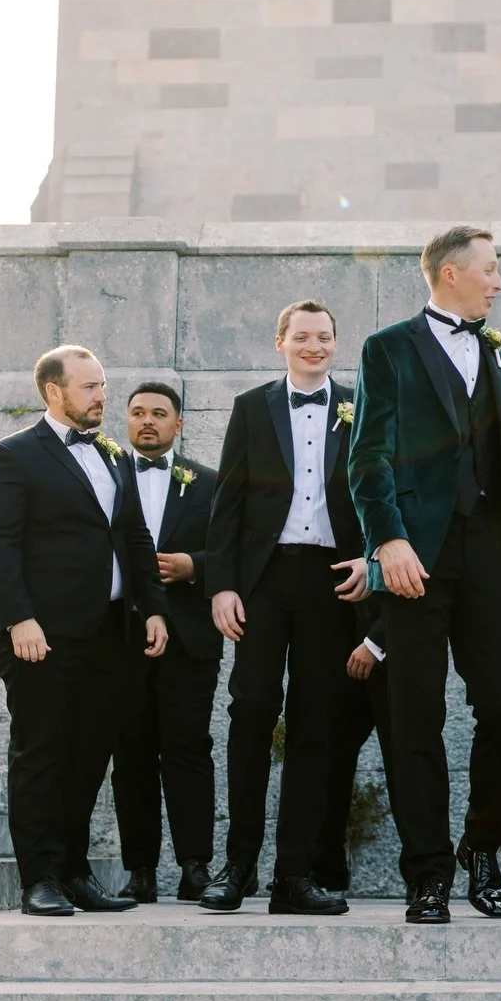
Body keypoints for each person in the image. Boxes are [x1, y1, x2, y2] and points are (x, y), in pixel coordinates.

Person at [349, 225, 501, 925]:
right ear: (450, 273)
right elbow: (368, 455)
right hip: (417, 554)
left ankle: (481, 844)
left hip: (493, 547)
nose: (498, 281)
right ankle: (428, 873)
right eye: (489, 269)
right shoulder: (387, 348)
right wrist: (388, 541)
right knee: (415, 715)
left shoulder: (498, 348)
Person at [0, 346, 168, 917]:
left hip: (109, 632)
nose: (101, 396)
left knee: (88, 756)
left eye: (102, 385)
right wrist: (19, 619)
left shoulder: (114, 456)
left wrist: (153, 609)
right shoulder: (12, 455)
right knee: (41, 754)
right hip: (41, 633)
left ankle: (75, 873)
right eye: (88, 387)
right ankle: (39, 879)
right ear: (53, 391)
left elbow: (135, 538)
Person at [203, 300, 368, 916]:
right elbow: (228, 502)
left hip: (333, 580)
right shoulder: (252, 408)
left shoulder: (362, 405)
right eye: (302, 337)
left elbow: (378, 490)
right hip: (264, 579)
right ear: (281, 343)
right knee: (250, 711)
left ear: (335, 343)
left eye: (324, 337)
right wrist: (222, 585)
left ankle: (294, 876)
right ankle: (237, 868)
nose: (314, 346)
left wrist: (372, 561)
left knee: (315, 724)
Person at [111, 382, 222, 904]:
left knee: (189, 749)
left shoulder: (210, 482)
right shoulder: (105, 476)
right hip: (122, 638)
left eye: (158, 413)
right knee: (130, 753)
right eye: (137, 413)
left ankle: (195, 866)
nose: (147, 421)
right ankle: (140, 870)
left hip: (190, 638)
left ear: (178, 424)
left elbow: (237, 550)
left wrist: (193, 566)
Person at [312, 606, 391, 895]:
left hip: (393, 631)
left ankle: (424, 874)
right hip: (339, 628)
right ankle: (323, 866)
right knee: (329, 748)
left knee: (405, 753)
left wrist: (377, 640)